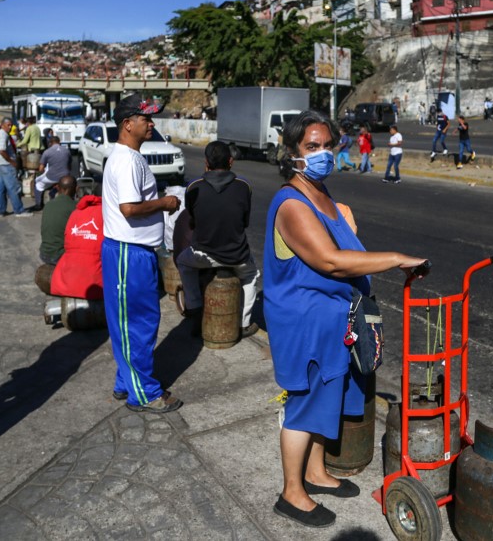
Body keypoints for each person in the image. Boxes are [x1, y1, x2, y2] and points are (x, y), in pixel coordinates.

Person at [263, 110, 427, 528]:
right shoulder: (292, 203)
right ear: (293, 154)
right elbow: (332, 262)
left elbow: (347, 250)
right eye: (310, 147)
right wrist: (396, 258)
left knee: (328, 396)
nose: (322, 154)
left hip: (336, 318)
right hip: (306, 320)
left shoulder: (327, 199)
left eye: (326, 145)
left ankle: (316, 473)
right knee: (305, 402)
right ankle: (291, 492)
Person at [101, 93, 182, 413]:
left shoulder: (130, 157)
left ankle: (126, 381)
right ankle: (144, 392)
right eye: (145, 118)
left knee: (134, 322)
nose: (151, 124)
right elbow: (130, 209)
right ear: (127, 124)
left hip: (133, 252)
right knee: (137, 324)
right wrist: (165, 203)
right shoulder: (125, 161)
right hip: (127, 253)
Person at [176, 141, 261, 337]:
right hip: (237, 256)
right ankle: (244, 323)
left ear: (206, 163)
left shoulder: (193, 187)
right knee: (251, 276)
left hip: (202, 255)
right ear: (231, 161)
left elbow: (192, 223)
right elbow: (245, 222)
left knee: (183, 263)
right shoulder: (244, 186)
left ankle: (195, 308)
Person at [51, 194, 105, 301]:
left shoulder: (75, 213)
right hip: (96, 285)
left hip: (66, 281)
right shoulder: (107, 213)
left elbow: (67, 242)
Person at [39, 176, 78, 265]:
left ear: (58, 188)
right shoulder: (76, 208)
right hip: (60, 255)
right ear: (76, 189)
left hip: (44, 253)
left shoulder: (48, 205)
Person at [0, 118, 28, 217]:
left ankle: (1, 210)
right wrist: (11, 161)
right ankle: (19, 210)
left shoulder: (1, 134)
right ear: (2, 125)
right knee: (14, 188)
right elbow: (2, 150)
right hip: (6, 165)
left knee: (1, 189)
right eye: (8, 125)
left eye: (11, 125)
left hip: (0, 164)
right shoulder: (3, 134)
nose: (10, 127)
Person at [33, 135, 72, 210]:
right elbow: (69, 166)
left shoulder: (47, 152)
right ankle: (53, 191)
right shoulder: (67, 151)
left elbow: (41, 168)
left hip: (52, 177)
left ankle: (38, 205)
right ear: (59, 142)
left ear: (50, 143)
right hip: (65, 177)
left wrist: (42, 172)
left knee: (38, 184)